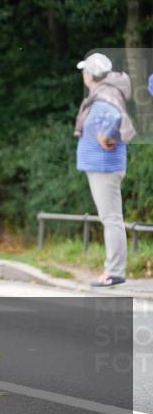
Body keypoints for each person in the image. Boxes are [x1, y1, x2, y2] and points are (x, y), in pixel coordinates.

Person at [73, 53, 135, 287]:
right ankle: (114, 269)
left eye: (84, 71)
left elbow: (114, 116)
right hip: (103, 166)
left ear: (90, 75)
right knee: (111, 218)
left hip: (104, 167)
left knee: (111, 219)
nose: (83, 75)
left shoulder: (103, 97)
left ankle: (114, 272)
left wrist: (105, 135)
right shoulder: (105, 94)